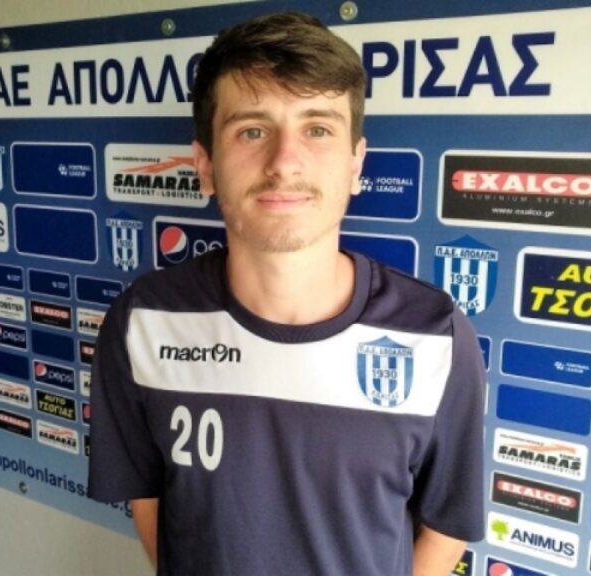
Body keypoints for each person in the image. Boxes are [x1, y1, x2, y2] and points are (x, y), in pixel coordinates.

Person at [88, 11, 486, 575]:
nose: (284, 163)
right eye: (252, 130)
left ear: (355, 164)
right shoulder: (142, 321)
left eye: (317, 129)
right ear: (205, 165)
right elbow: (149, 501)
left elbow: (447, 528)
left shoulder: (434, 334)